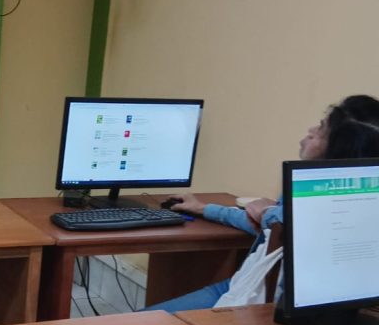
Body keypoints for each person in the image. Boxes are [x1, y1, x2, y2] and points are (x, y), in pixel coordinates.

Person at [144, 95, 379, 313]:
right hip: (244, 285)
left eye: (320, 129)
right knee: (138, 323)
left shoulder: (335, 212)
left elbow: (286, 223)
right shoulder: (318, 190)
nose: (311, 131)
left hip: (265, 303)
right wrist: (204, 209)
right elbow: (270, 225)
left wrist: (268, 212)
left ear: (337, 149)